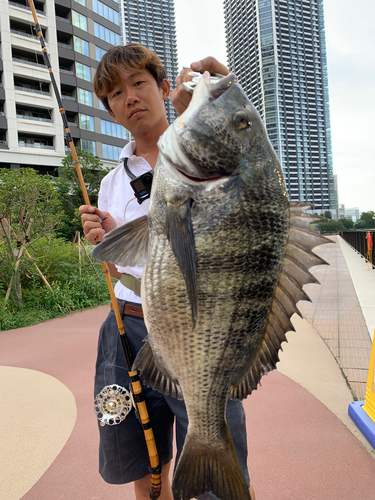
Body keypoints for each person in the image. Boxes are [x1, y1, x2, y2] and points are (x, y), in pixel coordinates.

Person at [79, 43, 256, 500]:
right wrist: (110, 238)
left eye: (139, 83)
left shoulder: (207, 154)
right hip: (128, 327)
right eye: (115, 93)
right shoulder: (110, 181)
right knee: (144, 459)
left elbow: (248, 197)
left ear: (163, 88)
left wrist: (225, 97)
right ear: (111, 111)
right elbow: (125, 265)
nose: (130, 97)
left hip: (202, 330)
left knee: (223, 467)